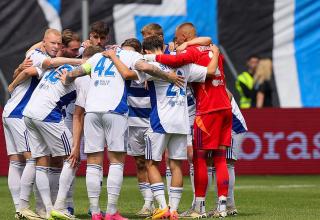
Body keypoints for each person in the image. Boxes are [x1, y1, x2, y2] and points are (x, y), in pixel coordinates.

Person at [60, 39, 183, 220]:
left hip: (92, 111)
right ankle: (111, 212)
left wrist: (67, 77)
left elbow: (78, 71)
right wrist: (168, 77)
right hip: (115, 111)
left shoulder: (97, 57)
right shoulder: (130, 55)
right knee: (116, 161)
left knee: (94, 162)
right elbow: (148, 68)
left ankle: (94, 212)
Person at [144, 22, 232, 218]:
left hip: (207, 110)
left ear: (184, 38)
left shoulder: (190, 54)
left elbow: (172, 62)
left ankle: (198, 206)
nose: (174, 42)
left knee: (199, 158)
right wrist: (215, 54)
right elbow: (210, 58)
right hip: (225, 106)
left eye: (177, 38)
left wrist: (151, 56)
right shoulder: (211, 50)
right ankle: (223, 206)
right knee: (219, 158)